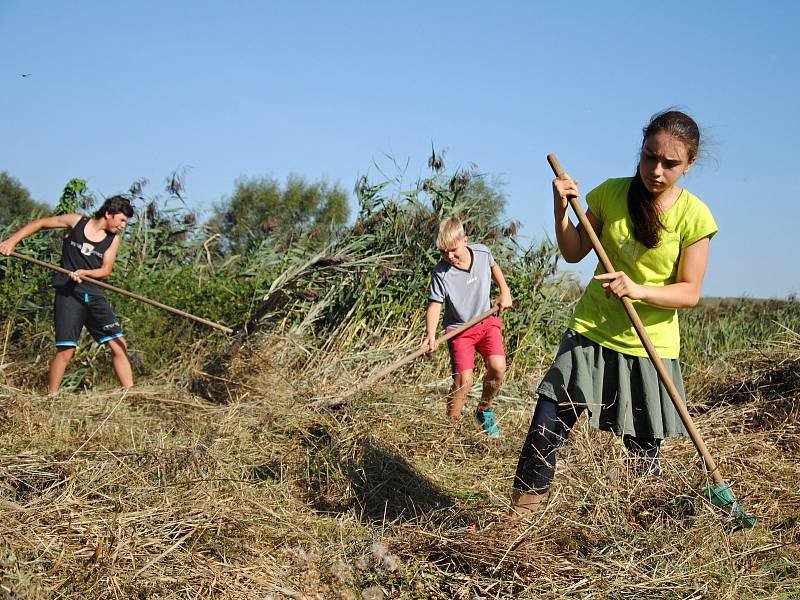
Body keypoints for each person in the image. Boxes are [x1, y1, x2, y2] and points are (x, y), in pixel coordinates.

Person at [511, 110, 718, 514]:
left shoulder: (695, 216)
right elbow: (573, 252)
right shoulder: (610, 194)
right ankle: (517, 525)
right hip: (590, 329)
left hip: (647, 344)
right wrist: (560, 208)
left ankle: (645, 533)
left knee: (642, 451)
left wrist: (636, 289)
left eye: (669, 164)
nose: (655, 170)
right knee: (546, 424)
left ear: (690, 165)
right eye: (648, 157)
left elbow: (690, 293)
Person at [0, 196, 135, 393]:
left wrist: (86, 273)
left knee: (119, 344)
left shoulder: (112, 239)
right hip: (68, 295)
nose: (123, 226)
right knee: (66, 350)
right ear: (108, 214)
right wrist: (11, 241)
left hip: (94, 295)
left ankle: (130, 394)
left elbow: (106, 270)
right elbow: (41, 223)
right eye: (121, 220)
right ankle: (51, 398)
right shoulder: (76, 222)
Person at [423, 216, 513, 437]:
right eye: (443, 252)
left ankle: (484, 409)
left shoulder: (482, 253)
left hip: (486, 321)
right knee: (464, 380)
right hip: (459, 330)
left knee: (498, 367)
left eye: (453, 250)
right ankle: (450, 428)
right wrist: (431, 335)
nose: (449, 257)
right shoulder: (441, 273)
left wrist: (505, 291)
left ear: (465, 240)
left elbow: (495, 268)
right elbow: (435, 305)